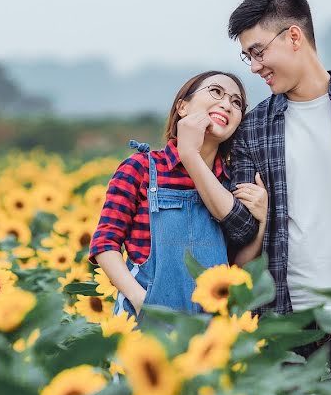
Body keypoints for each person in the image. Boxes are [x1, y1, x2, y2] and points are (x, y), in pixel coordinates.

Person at [183, 0, 331, 380]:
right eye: (247, 56)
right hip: (284, 318)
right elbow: (241, 230)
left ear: (293, 36)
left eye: (257, 52)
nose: (253, 67)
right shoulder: (254, 127)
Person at [89, 70, 268, 319]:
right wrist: (141, 300)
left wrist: (261, 224)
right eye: (216, 92)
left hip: (213, 331)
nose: (227, 104)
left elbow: (237, 268)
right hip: (145, 321)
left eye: (236, 103)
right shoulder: (140, 169)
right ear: (182, 107)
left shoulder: (231, 182)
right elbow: (104, 243)